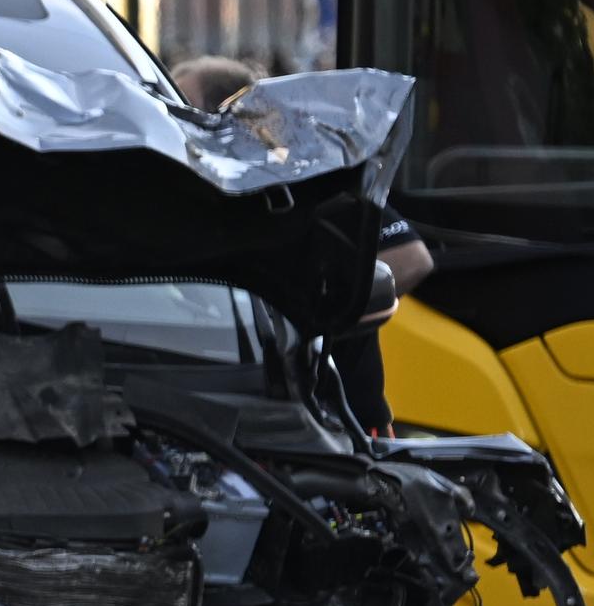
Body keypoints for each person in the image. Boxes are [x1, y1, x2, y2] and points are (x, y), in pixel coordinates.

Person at [174, 53, 429, 427]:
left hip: (345, 421)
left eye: (186, 108)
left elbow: (413, 259)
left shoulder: (309, 188)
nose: (178, 121)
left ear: (223, 116)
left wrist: (335, 306)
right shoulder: (194, 204)